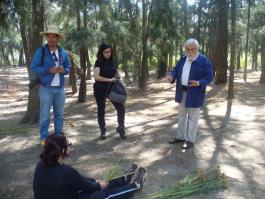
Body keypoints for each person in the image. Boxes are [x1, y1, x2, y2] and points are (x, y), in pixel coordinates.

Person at [33, 133, 147, 199]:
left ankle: (124, 179)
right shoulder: (66, 171)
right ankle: (135, 187)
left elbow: (76, 181)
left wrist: (94, 181)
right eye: (69, 145)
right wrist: (97, 185)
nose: (71, 147)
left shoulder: (42, 164)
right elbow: (85, 185)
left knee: (99, 184)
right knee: (104, 194)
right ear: (63, 150)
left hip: (65, 195)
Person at [165, 38, 213, 149]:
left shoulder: (204, 60)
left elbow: (209, 77)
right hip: (182, 92)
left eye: (192, 49)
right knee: (182, 116)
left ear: (197, 49)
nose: (190, 52)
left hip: (195, 94)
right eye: (188, 49)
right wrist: (172, 77)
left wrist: (199, 82)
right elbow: (175, 71)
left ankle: (190, 140)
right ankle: (180, 136)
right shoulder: (182, 60)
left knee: (193, 118)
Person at [31, 25, 70, 146]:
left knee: (59, 114)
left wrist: (65, 70)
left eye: (54, 36)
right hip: (46, 89)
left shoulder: (63, 52)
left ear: (57, 38)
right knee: (44, 115)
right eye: (49, 36)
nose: (52, 39)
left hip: (60, 89)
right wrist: (49, 70)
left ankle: (58, 136)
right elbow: (34, 67)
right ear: (46, 37)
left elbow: (68, 67)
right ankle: (43, 138)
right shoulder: (41, 51)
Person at [93, 43, 126, 140]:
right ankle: (103, 131)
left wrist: (120, 77)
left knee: (121, 107)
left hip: (112, 89)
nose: (108, 53)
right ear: (101, 52)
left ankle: (121, 128)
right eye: (105, 52)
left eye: (109, 52)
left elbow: (117, 74)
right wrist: (109, 80)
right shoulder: (98, 62)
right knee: (101, 109)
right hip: (100, 89)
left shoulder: (113, 61)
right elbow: (96, 77)